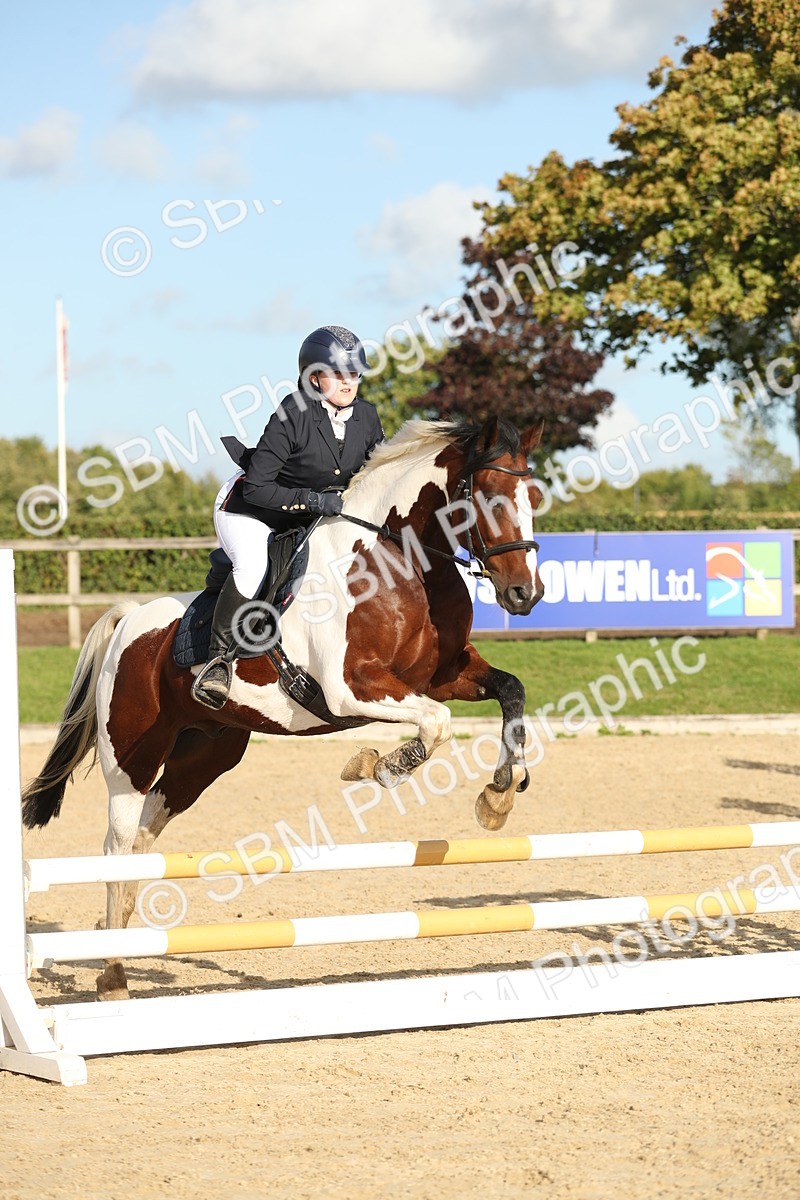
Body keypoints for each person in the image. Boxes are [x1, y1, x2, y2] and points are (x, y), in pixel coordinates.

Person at [191, 325, 385, 708]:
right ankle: (218, 660)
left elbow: (376, 475)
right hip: (250, 509)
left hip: (308, 512)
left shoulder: (367, 417)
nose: (351, 382)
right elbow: (256, 488)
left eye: (355, 374)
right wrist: (312, 501)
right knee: (252, 564)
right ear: (314, 377)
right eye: (340, 374)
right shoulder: (291, 415)